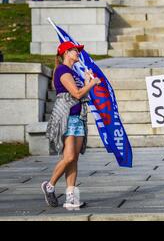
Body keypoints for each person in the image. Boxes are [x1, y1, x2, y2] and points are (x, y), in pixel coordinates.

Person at [42, 41, 100, 209]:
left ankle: (70, 197)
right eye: (75, 50)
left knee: (74, 158)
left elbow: (81, 93)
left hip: (78, 117)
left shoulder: (73, 72)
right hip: (67, 118)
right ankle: (49, 185)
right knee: (68, 157)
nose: (78, 53)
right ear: (66, 53)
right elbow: (76, 93)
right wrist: (92, 82)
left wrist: (86, 79)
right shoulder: (62, 70)